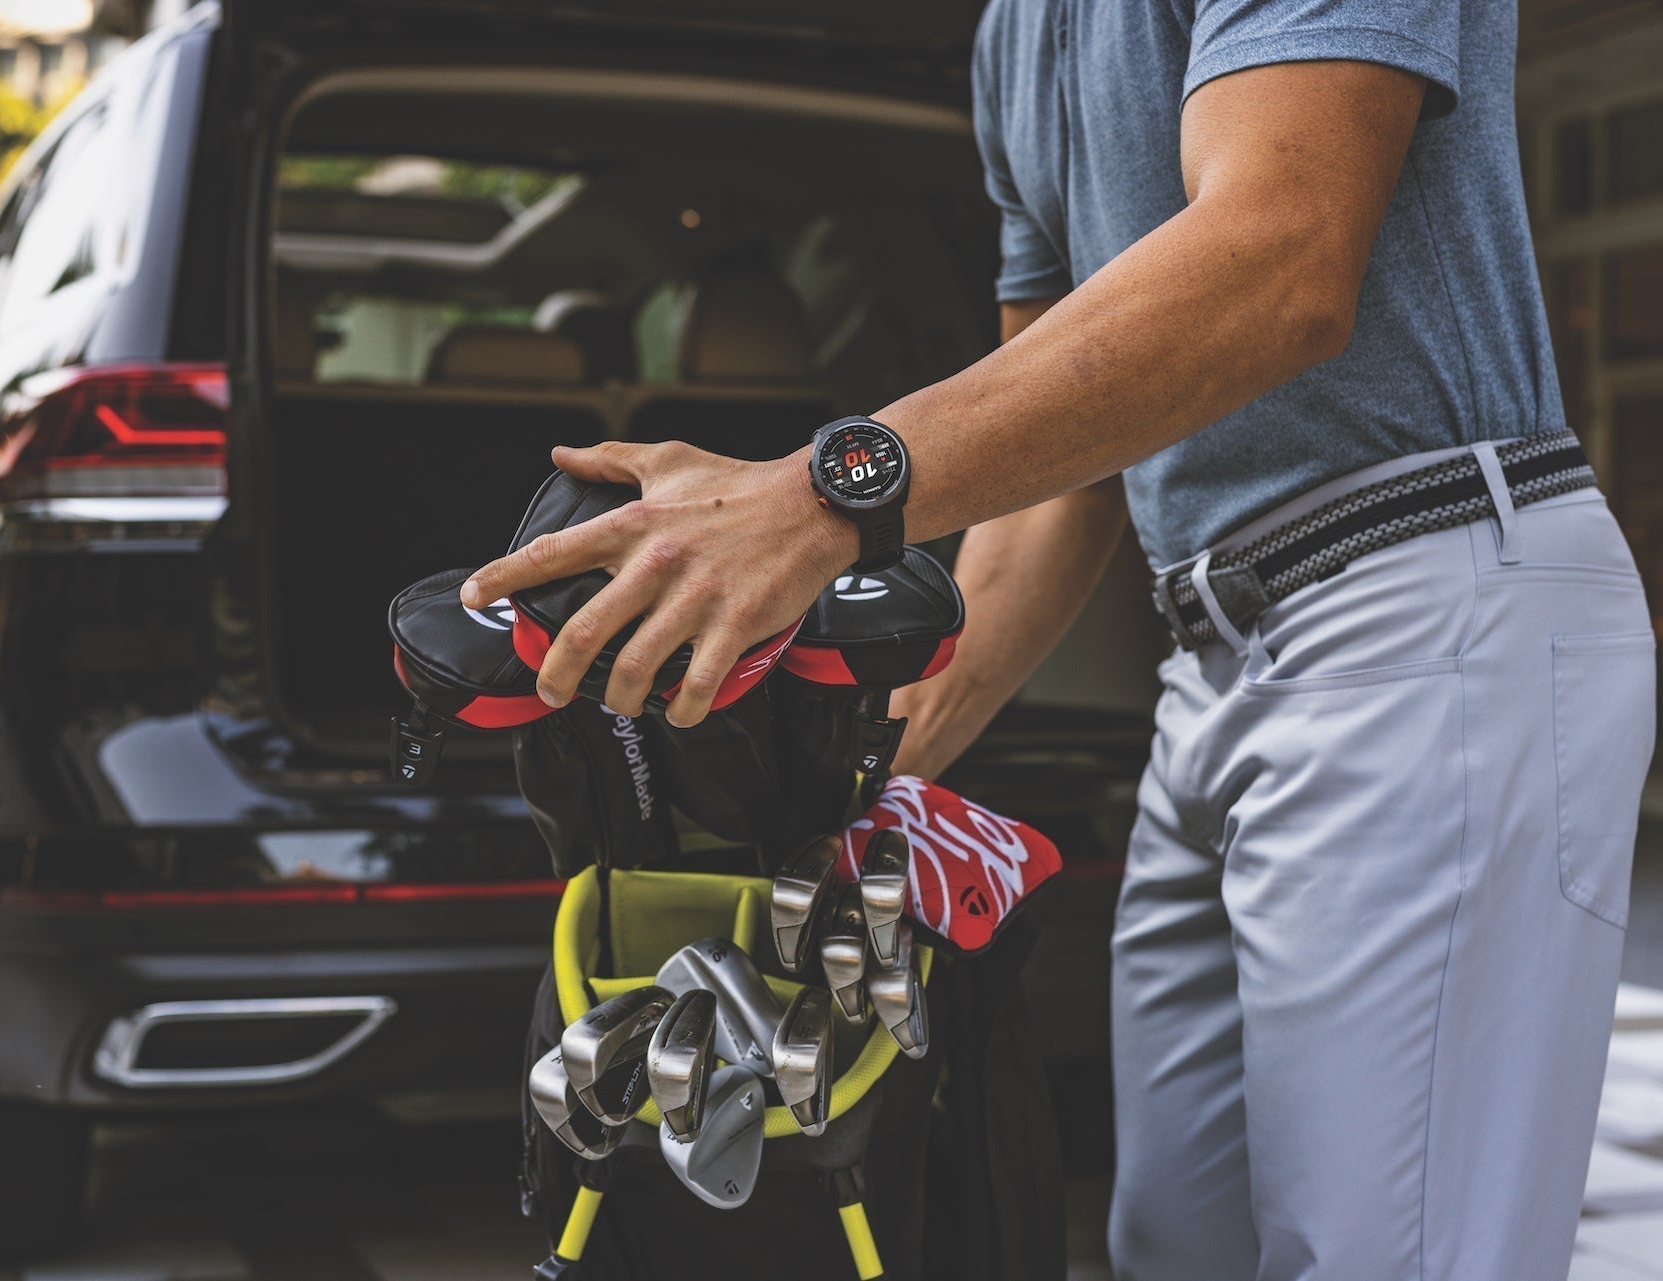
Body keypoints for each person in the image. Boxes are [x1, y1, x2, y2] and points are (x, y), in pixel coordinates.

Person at [462, 2, 1657, 1277]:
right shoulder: (1014, 35)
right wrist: (842, 792)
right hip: (1210, 654)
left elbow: (1283, 256)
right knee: (1172, 1241)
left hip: (1422, 604)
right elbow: (1061, 478)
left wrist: (817, 498)